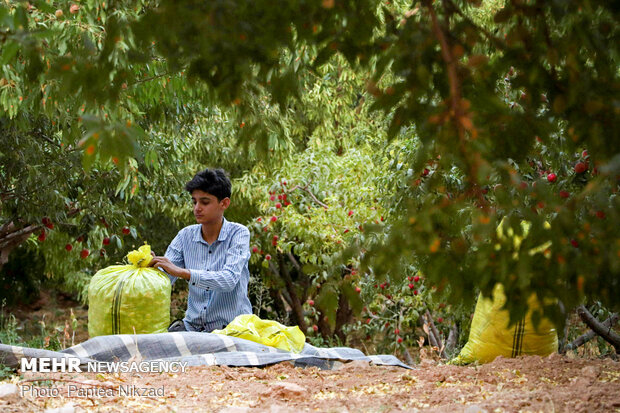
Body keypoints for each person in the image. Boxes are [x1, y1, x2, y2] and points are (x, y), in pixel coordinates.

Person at [149, 168, 252, 332]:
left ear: (224, 203)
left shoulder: (238, 234)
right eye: (194, 201)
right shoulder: (185, 236)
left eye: (204, 202)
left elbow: (229, 279)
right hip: (193, 329)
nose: (197, 208)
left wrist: (183, 272)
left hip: (232, 330)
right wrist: (149, 270)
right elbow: (164, 279)